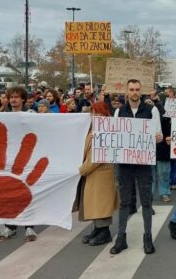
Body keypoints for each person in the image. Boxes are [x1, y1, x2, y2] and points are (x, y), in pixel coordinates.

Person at [110, 79, 163, 255]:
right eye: (131, 89)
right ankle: (121, 237)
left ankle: (147, 237)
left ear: (141, 91)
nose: (134, 92)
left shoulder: (151, 110)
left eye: (137, 89)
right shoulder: (119, 111)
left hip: (143, 163)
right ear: (127, 91)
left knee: (146, 201)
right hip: (125, 163)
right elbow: (115, 135)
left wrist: (158, 137)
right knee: (124, 202)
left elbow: (159, 133)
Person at [0, 86, 37, 242]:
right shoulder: (3, 115)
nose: (13, 100)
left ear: (23, 99)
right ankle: (10, 226)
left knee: (28, 191)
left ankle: (30, 227)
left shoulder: (31, 114)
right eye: (11, 97)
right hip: (8, 158)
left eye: (17, 97)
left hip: (27, 157)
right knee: (7, 193)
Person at [75, 105, 121, 247]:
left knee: (101, 203)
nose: (95, 116)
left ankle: (104, 232)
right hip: (92, 174)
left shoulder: (107, 130)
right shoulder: (91, 129)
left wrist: (82, 170)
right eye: (94, 113)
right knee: (94, 203)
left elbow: (98, 157)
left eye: (99, 113)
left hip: (101, 173)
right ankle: (97, 229)